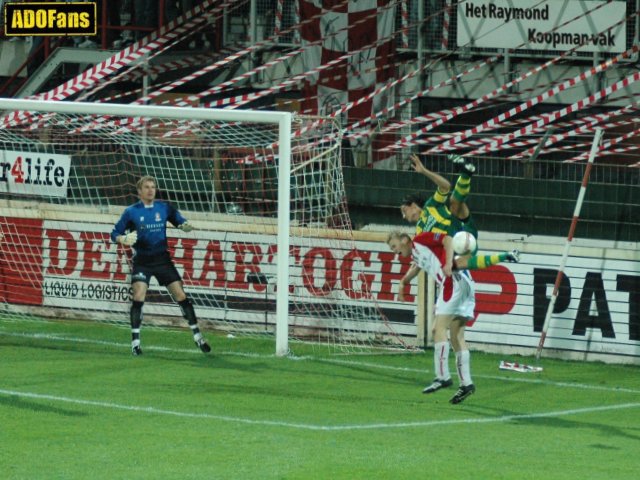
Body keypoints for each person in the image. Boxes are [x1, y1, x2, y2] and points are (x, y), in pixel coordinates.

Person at [111, 176, 211, 356]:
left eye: (153, 187)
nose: (151, 190)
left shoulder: (164, 208)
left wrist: (184, 225)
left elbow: (179, 220)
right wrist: (122, 239)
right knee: (139, 296)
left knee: (181, 295)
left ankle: (198, 337)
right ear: (139, 191)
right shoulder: (131, 212)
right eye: (147, 187)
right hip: (142, 261)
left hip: (162, 260)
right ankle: (135, 343)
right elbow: (114, 233)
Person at [398, 154, 519, 294]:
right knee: (457, 264)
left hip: (461, 226)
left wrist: (424, 171)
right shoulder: (419, 234)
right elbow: (417, 264)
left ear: (412, 205)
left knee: (454, 202)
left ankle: (466, 172)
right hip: (460, 245)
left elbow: (445, 186)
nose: (403, 216)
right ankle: (505, 256)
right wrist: (403, 281)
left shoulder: (430, 206)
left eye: (403, 210)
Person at [388, 230, 478, 404]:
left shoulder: (421, 239)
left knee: (438, 329)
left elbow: (447, 239)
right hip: (466, 282)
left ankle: (442, 376)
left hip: (452, 280)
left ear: (405, 239)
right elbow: (416, 267)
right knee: (456, 336)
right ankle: (466, 383)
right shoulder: (416, 254)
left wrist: (447, 264)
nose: (394, 251)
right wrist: (403, 283)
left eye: (394, 246)